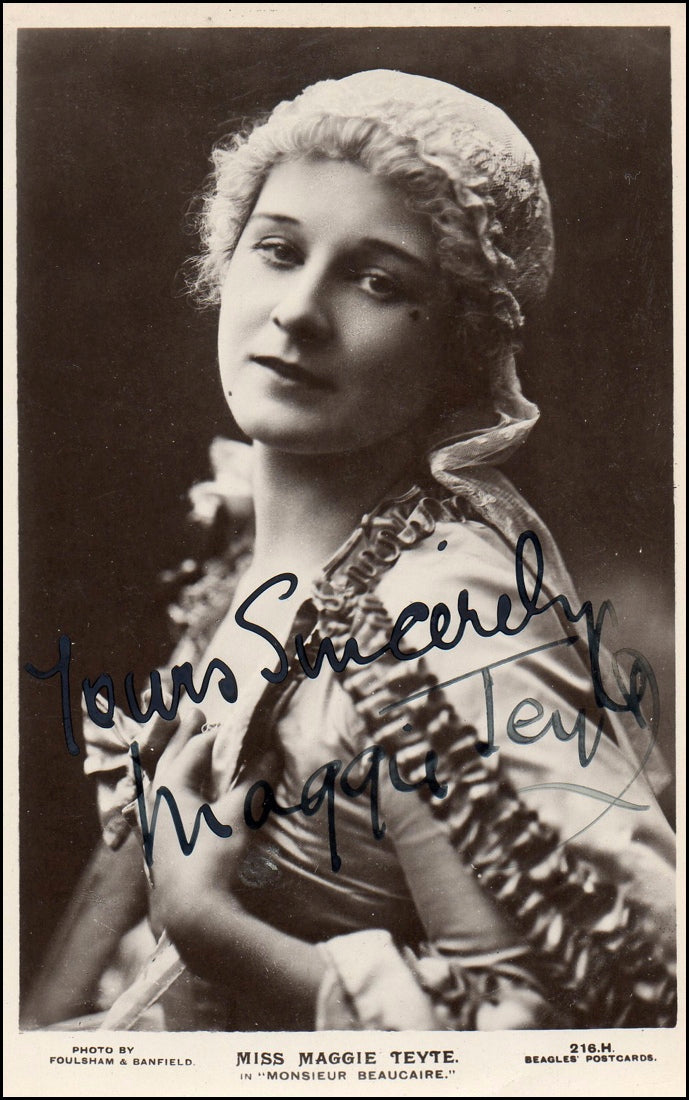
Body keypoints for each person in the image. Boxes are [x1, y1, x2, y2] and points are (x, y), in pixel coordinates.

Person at [39, 69, 677, 1032]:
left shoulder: (440, 623)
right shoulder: (248, 555)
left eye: (378, 282)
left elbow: (585, 1031)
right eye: (278, 250)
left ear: (461, 345)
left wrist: (212, 927)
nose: (298, 311)